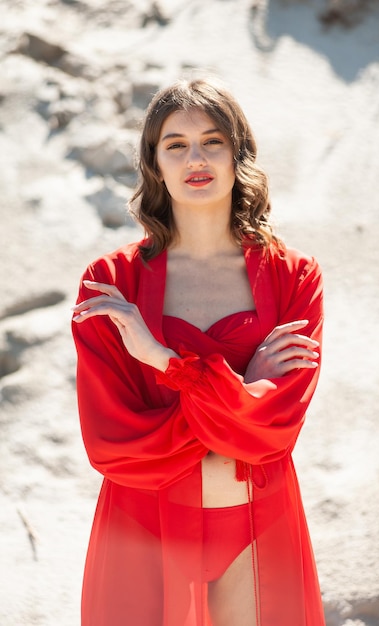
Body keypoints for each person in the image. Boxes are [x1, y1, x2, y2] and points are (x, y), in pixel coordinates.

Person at [72, 77, 325, 626]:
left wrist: (165, 362)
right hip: (141, 531)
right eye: (176, 144)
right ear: (154, 162)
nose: (196, 158)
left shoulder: (293, 276)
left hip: (259, 523)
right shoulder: (110, 285)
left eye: (213, 141)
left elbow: (274, 431)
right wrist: (240, 389)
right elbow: (114, 447)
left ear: (239, 154)